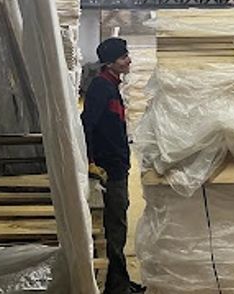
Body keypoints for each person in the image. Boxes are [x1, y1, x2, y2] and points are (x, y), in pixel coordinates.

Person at [81, 37, 145, 294]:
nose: (128, 60)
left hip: (117, 166)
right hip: (109, 170)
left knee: (118, 224)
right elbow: (87, 125)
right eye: (123, 57)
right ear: (109, 63)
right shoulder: (101, 88)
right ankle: (116, 287)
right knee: (115, 226)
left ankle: (121, 280)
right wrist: (90, 162)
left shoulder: (111, 86)